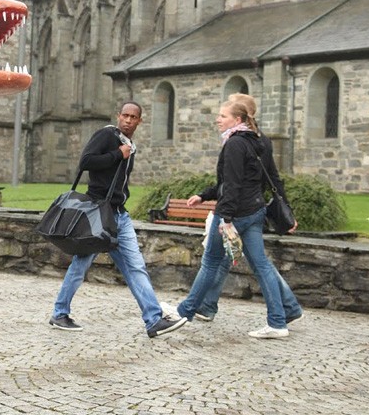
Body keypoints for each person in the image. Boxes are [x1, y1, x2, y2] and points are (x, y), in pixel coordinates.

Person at [48, 102, 188, 338]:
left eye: (133, 117)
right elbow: (85, 162)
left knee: (135, 267)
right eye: (125, 115)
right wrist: (116, 155)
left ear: (139, 121)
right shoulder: (106, 135)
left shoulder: (130, 145)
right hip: (98, 215)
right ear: (118, 116)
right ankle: (60, 313)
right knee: (80, 265)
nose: (128, 120)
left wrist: (123, 154)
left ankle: (153, 320)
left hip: (119, 216)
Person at [171, 100, 302, 338]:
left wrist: (226, 218)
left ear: (238, 120)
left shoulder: (234, 143)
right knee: (262, 266)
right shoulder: (257, 140)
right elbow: (264, 179)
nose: (218, 119)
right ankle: (277, 322)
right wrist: (204, 195)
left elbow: (232, 184)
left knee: (211, 262)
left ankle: (184, 312)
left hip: (236, 213)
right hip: (255, 211)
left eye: (223, 116)